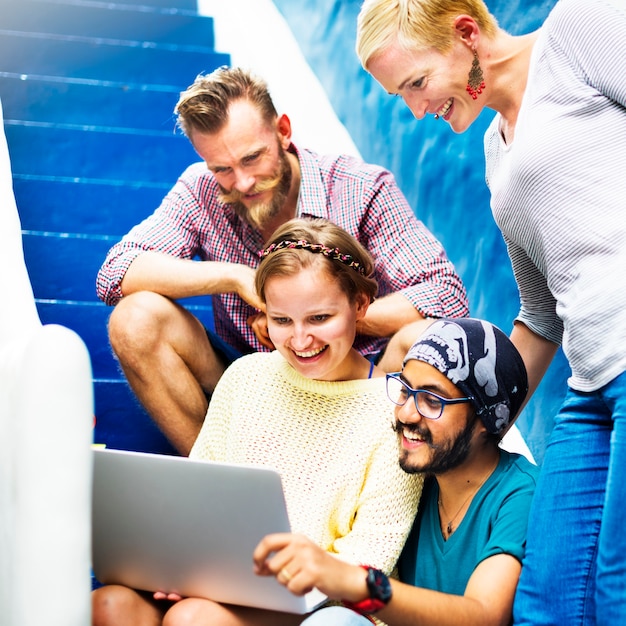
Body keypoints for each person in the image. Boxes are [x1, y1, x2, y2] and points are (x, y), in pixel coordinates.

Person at [355, 0, 626, 624]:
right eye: (402, 95)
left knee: (615, 591)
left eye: (417, 83)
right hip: (592, 388)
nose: (417, 109)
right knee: (545, 606)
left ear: (467, 33)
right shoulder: (495, 149)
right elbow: (541, 313)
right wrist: (459, 421)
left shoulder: (576, 32)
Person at [95, 66, 469, 455]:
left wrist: (313, 318)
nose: (241, 182)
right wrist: (237, 278)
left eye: (252, 158)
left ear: (283, 131)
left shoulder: (360, 187)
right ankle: (221, 479)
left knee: (424, 338)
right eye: (221, 168)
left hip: (359, 387)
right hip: (252, 382)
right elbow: (116, 271)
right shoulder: (200, 190)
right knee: (135, 319)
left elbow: (446, 295)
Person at [91, 217, 424, 626]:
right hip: (221, 583)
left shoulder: (394, 413)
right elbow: (196, 497)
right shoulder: (246, 376)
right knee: (109, 605)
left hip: (322, 604)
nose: (301, 341)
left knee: (193, 619)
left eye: (319, 319)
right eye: (282, 320)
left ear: (359, 306)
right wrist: (180, 565)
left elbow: (373, 555)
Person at [253, 317, 538, 626]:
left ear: (486, 418)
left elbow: (484, 615)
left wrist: (357, 582)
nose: (405, 413)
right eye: (404, 390)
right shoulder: (410, 477)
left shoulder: (520, 493)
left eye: (432, 400)